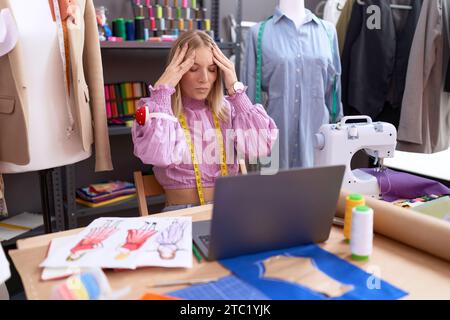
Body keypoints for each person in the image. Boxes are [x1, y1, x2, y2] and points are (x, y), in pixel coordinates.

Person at [132, 30, 278, 211]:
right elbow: (158, 154)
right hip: (181, 214)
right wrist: (162, 91)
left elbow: (260, 147)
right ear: (177, 70)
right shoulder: (160, 112)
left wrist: (235, 89)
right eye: (193, 69)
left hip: (231, 208)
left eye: (212, 69)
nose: (204, 78)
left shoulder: (229, 109)